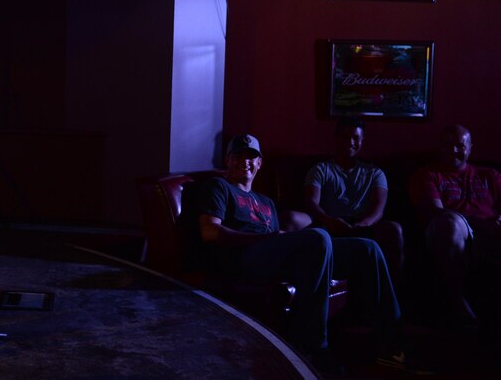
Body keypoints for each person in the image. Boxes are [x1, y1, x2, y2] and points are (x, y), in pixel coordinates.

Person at [184, 134, 414, 375]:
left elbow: (284, 234)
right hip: (243, 257)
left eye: (251, 157)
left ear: (260, 163)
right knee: (318, 238)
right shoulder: (219, 186)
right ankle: (313, 348)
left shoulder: (265, 201)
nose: (245, 162)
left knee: (367, 248)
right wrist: (268, 239)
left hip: (273, 255)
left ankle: (393, 347)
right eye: (238, 156)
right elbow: (209, 232)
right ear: (228, 161)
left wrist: (292, 231)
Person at [409, 125, 501, 330]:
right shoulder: (428, 175)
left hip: (491, 232)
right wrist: (480, 225)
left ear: (470, 148)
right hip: (451, 230)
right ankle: (459, 303)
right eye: (447, 145)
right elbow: (436, 211)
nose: (453, 151)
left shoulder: (490, 175)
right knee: (451, 224)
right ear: (439, 147)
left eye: (460, 146)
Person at [303, 117, 404, 278]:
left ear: (362, 140)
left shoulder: (375, 173)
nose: (350, 142)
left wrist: (361, 225)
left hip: (364, 226)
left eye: (355, 137)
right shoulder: (320, 169)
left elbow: (378, 209)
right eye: (345, 136)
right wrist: (329, 220)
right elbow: (311, 202)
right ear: (336, 138)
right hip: (329, 223)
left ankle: (394, 288)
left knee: (394, 229)